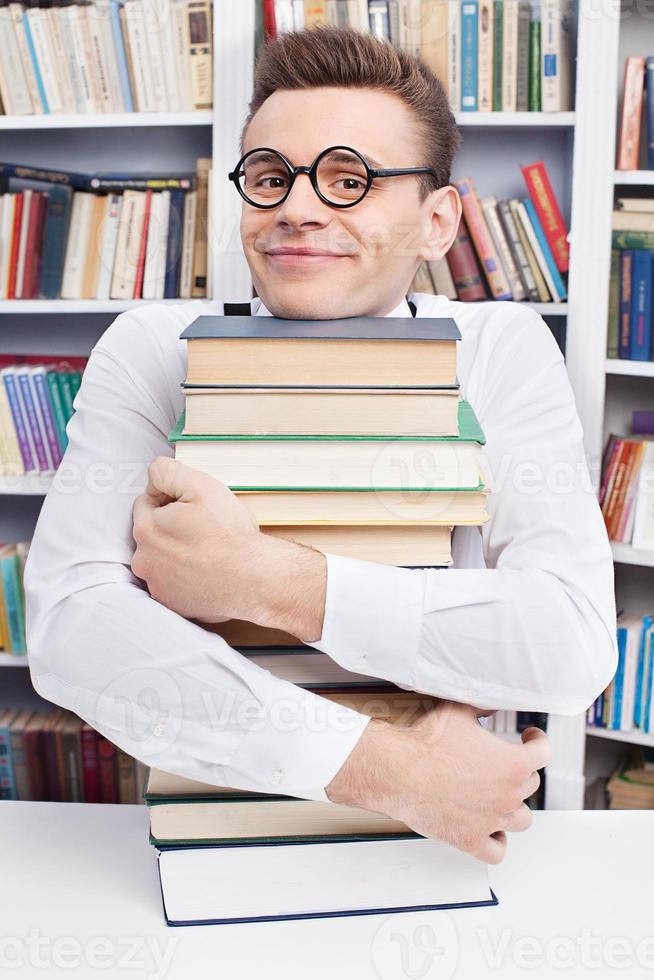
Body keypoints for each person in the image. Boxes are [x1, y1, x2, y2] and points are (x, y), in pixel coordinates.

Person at [24, 27, 617, 865]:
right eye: (271, 177)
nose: (298, 207)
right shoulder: (155, 345)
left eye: (352, 179)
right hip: (220, 846)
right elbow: (74, 627)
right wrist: (387, 769)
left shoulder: (502, 349)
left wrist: (265, 580)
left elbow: (570, 644)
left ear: (438, 219)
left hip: (434, 859)